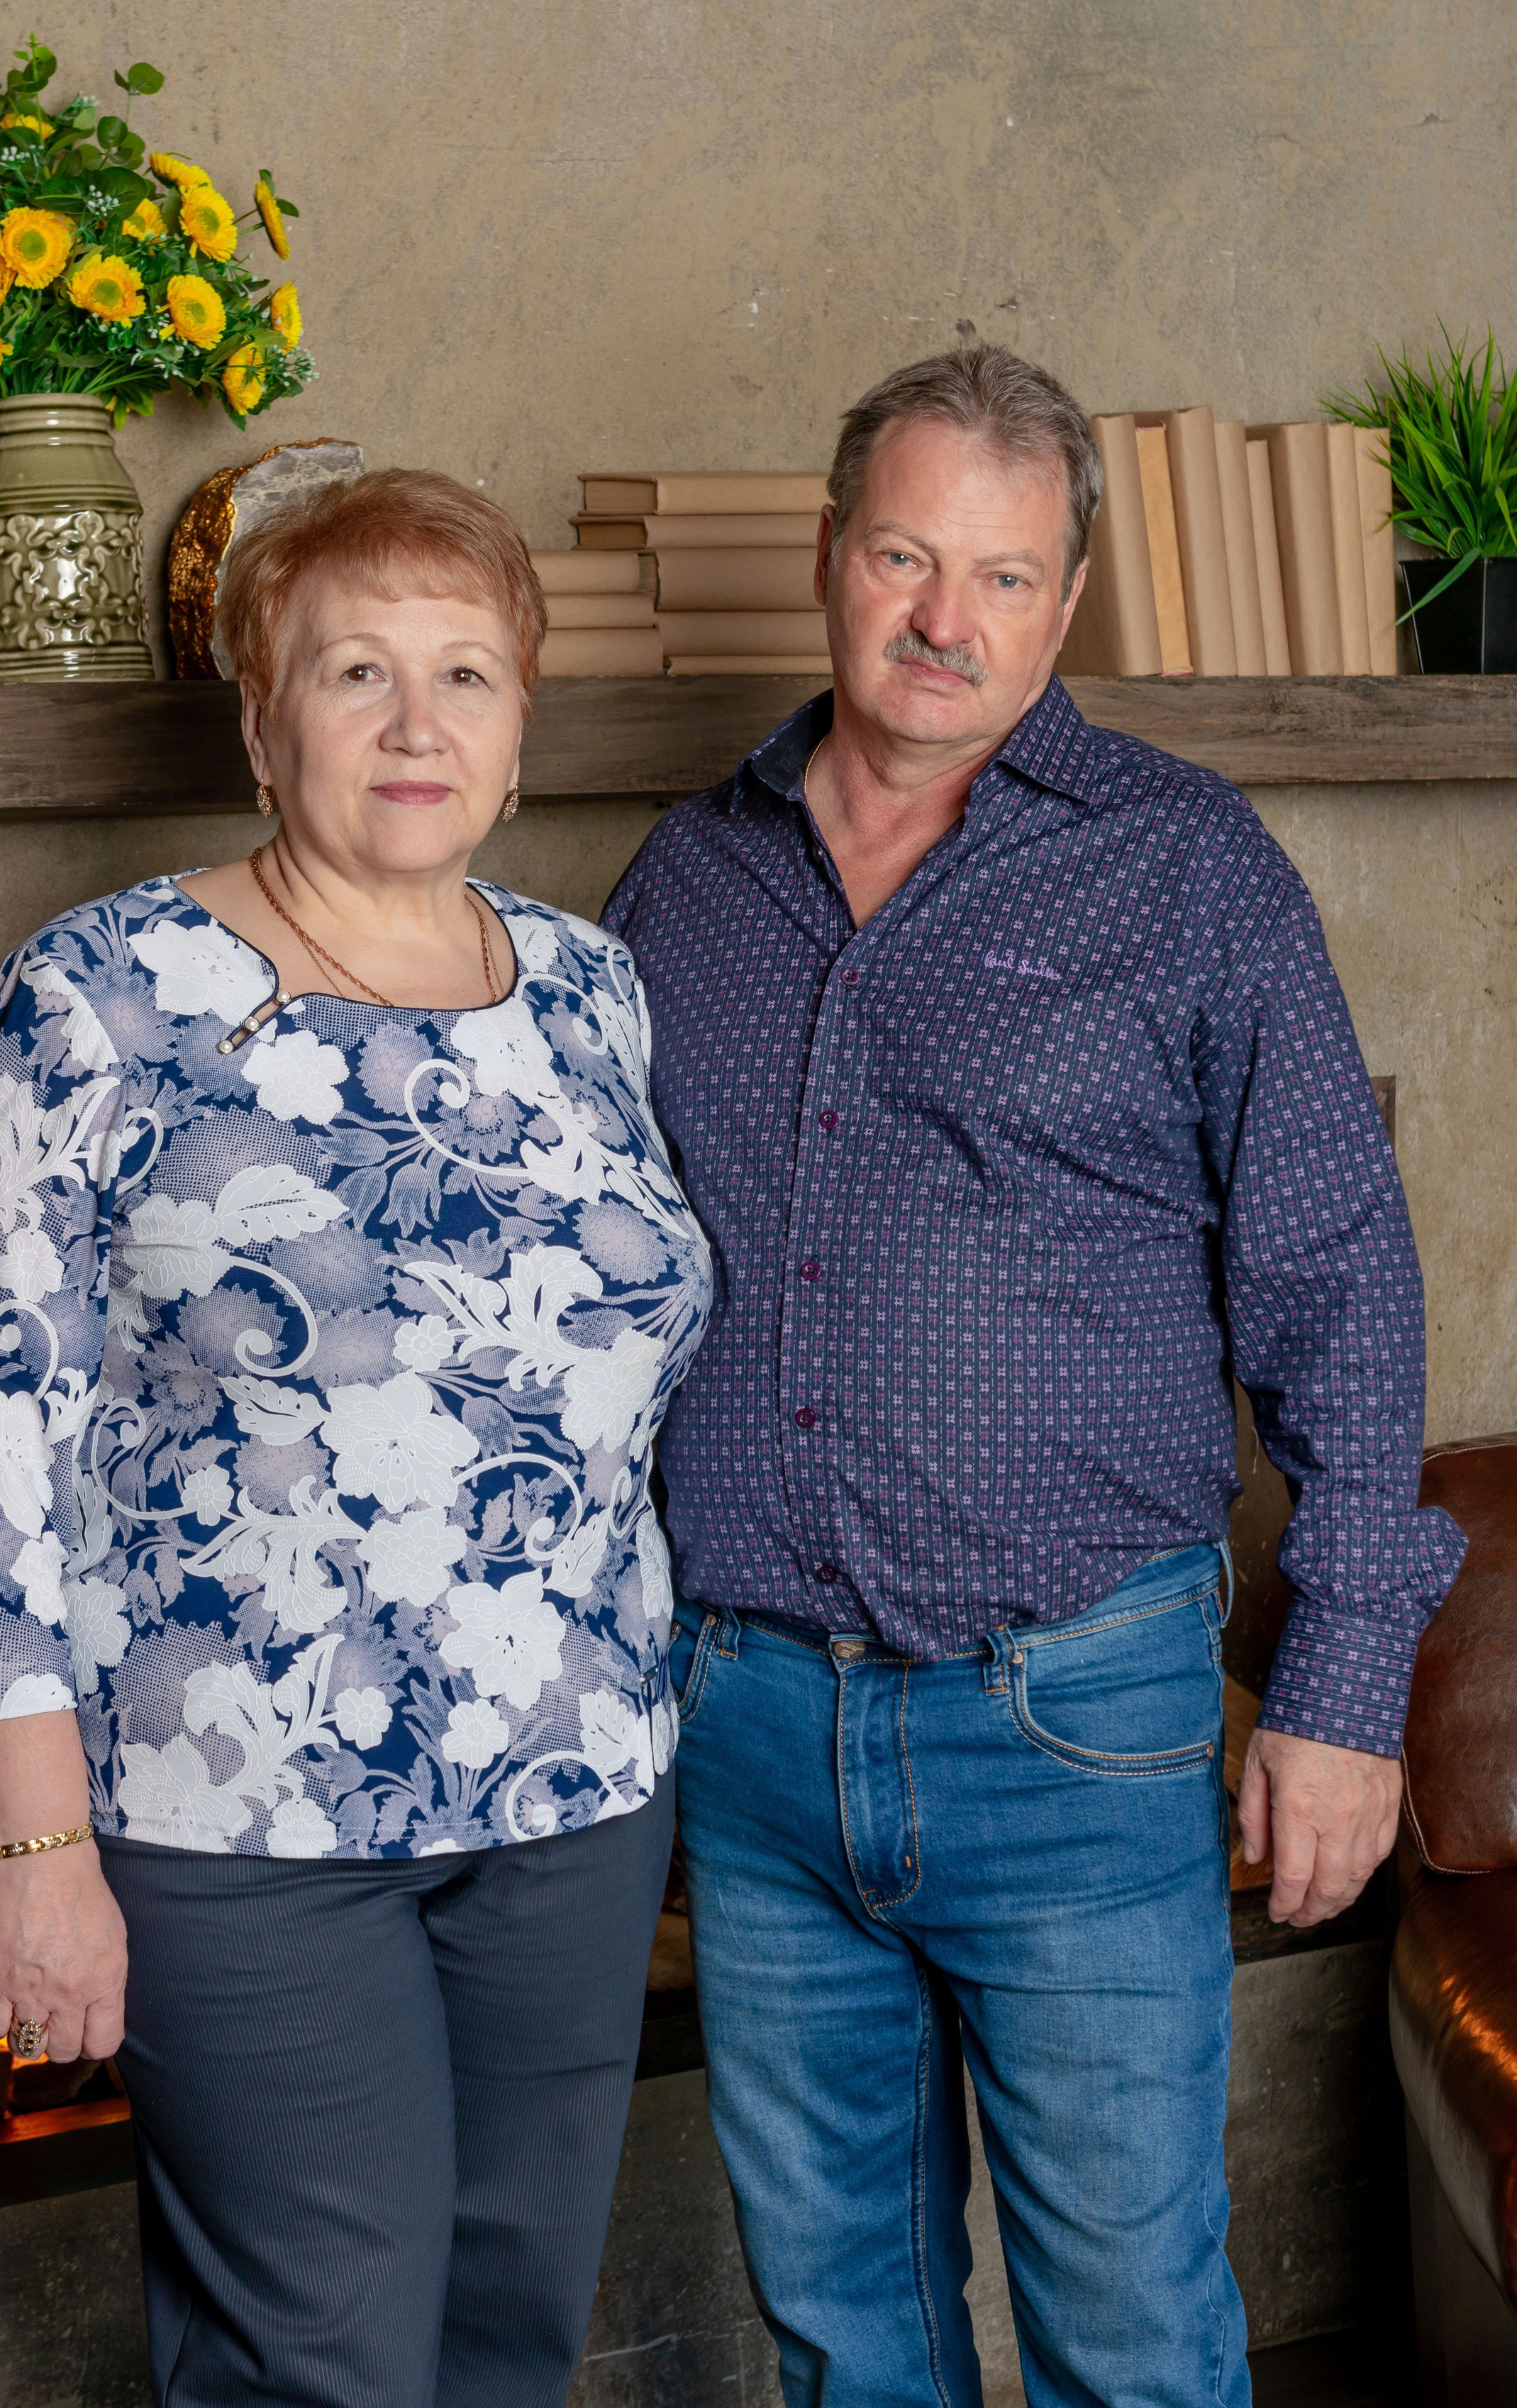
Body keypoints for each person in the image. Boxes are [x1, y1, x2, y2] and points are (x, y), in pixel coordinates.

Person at [603, 345, 1465, 2408]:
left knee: (1133, 2341)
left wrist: (1343, 1698)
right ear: (830, 559)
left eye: (1002, 575)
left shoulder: (1186, 868)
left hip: (1071, 1718)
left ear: (1063, 601)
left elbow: (1341, 1274)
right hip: (753, 1726)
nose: (944, 619)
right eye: (905, 555)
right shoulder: (678, 882)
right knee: (843, 2335)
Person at [0, 469, 712, 2408]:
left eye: (466, 675)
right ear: (263, 722)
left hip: (574, 1790)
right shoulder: (100, 995)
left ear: (519, 737)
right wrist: (32, 1847)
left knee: (509, 2332)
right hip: (237, 1809)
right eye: (358, 671)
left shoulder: (594, 992)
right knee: (321, 2352)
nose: (417, 724)